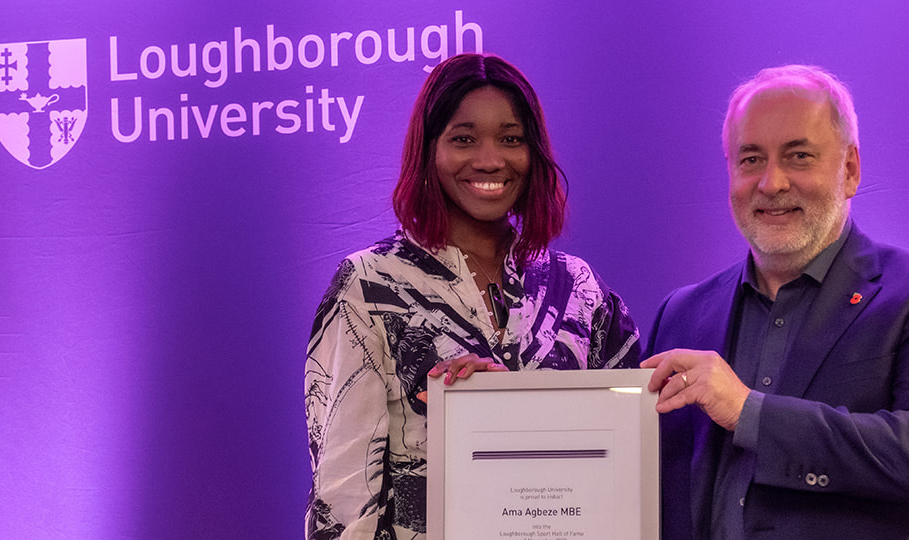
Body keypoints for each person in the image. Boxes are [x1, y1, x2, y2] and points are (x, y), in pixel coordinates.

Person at [304, 53, 641, 539]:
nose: (490, 160)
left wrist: (506, 408)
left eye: (511, 139)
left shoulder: (577, 288)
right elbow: (343, 496)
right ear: (429, 151)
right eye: (464, 139)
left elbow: (627, 458)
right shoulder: (369, 287)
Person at [642, 64, 909, 539]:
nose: (771, 183)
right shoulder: (681, 315)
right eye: (750, 160)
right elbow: (624, 461)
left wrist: (751, 413)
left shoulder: (902, 293)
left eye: (799, 156)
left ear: (849, 169)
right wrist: (492, 401)